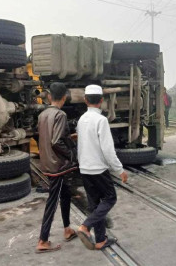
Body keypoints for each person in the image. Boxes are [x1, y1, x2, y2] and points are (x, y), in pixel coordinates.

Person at [76, 84, 128, 250]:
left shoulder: (81, 120)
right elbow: (107, 149)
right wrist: (119, 170)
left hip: (85, 168)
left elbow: (80, 145)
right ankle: (85, 226)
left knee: (95, 204)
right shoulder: (101, 120)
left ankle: (100, 240)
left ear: (85, 100)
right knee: (110, 198)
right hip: (98, 169)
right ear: (102, 101)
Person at [36, 83, 78, 253]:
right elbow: (56, 142)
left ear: (48, 97)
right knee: (53, 201)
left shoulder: (43, 114)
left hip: (47, 161)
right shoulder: (60, 115)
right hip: (58, 165)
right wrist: (72, 155)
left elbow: (48, 137)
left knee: (66, 195)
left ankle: (67, 229)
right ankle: (43, 240)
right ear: (64, 97)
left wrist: (68, 137)